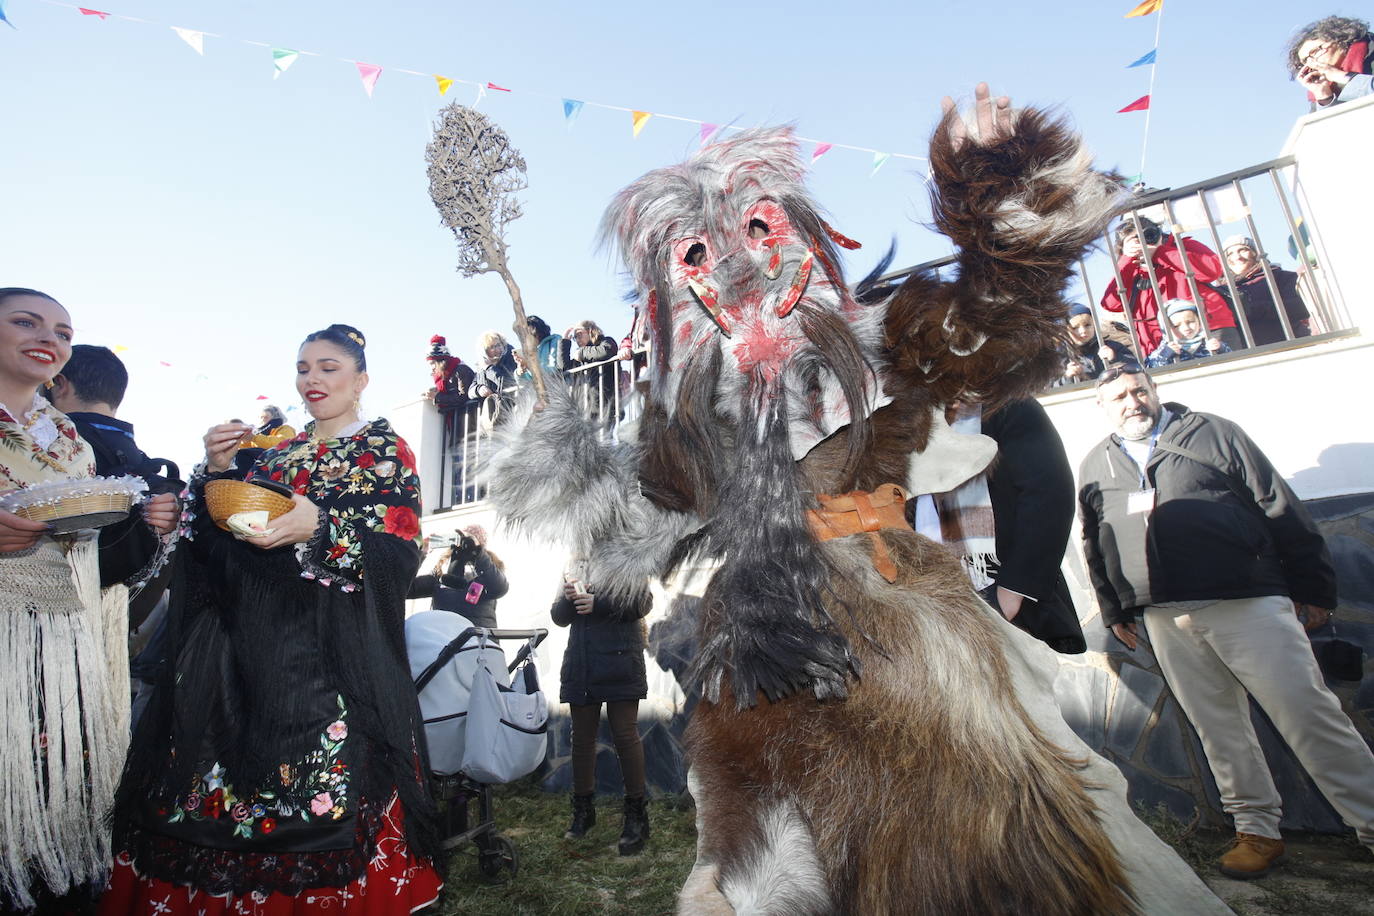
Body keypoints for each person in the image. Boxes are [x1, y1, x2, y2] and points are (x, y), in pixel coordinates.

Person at [103, 323, 442, 914]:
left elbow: (400, 549)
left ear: (361, 379)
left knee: (322, 801)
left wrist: (324, 529)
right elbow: (216, 547)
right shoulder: (273, 454)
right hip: (246, 656)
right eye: (303, 367)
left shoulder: (385, 449)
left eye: (328, 367)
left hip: (331, 658)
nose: (312, 379)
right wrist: (217, 473)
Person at [1078, 365, 1374, 880]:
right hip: (1165, 616)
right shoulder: (1095, 462)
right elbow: (1095, 538)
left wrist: (1314, 587)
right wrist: (1114, 607)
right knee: (1218, 730)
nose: (1132, 402)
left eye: (1139, 390)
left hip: (1247, 601)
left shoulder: (1213, 432)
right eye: (1119, 397)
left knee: (1309, 717)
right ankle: (1257, 831)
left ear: (1154, 391)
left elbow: (1275, 502)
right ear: (1102, 406)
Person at [0, 289, 178, 912]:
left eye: (63, 330)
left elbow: (104, 565)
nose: (47, 336)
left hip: (66, 654)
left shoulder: (72, 442)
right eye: (26, 321)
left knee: (50, 805)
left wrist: (149, 528)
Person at [44, 344, 182, 628]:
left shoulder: (57, 449)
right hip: (112, 628)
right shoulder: (146, 465)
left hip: (50, 618)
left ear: (59, 384)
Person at [550, 569, 651, 856]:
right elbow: (559, 617)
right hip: (582, 662)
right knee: (581, 739)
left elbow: (642, 603)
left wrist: (599, 602)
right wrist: (569, 599)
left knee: (625, 735)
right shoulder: (573, 564)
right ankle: (583, 812)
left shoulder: (628, 557)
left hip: (620, 659)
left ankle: (636, 818)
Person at [1100, 217, 1241, 354]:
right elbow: (1111, 303)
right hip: (1157, 340)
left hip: (1209, 327)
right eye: (1135, 239)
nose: (1143, 241)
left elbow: (1213, 270)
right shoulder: (1127, 268)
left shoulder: (1181, 246)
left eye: (1147, 235)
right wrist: (1127, 260)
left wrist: (1160, 253)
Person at [408, 524, 509, 628]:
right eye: (461, 538)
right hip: (445, 639)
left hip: (477, 640)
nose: (464, 543)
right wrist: (419, 551)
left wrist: (477, 553)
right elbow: (406, 589)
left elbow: (500, 588)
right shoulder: (441, 573)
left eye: (468, 540)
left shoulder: (488, 573)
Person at [1221, 236, 1312, 346]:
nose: (1237, 257)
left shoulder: (1281, 277)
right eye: (1229, 254)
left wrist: (1252, 309)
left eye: (1243, 250)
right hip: (1247, 356)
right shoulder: (1222, 290)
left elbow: (1300, 308)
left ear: (1255, 253)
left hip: (1290, 347)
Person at [1287, 16, 1373, 110]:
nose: (1311, 62)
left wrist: (1341, 76)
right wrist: (1324, 96)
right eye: (1305, 61)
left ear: (1341, 41)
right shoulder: (1318, 91)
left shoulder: (1371, 51)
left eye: (1315, 52)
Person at [1059, 303, 1134, 385]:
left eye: (1087, 325)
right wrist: (1067, 377)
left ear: (1094, 325)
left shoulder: (1111, 346)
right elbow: (1048, 387)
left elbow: (1136, 367)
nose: (1083, 330)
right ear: (1066, 330)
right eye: (1075, 327)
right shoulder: (1061, 357)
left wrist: (1115, 358)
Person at [558, 320, 619, 418]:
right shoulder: (581, 358)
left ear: (590, 331)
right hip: (584, 408)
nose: (577, 339)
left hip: (605, 404)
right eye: (575, 337)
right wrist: (565, 342)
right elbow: (564, 368)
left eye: (579, 334)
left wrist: (581, 353)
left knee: (603, 433)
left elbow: (605, 352)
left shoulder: (606, 342)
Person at [1145, 299, 1232, 368]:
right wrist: (1165, 355)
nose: (1186, 328)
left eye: (1190, 322)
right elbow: (1150, 368)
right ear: (1166, 329)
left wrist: (1221, 348)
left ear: (1199, 321)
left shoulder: (1207, 343)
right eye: (1176, 326)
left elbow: (1231, 359)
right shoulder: (1164, 349)